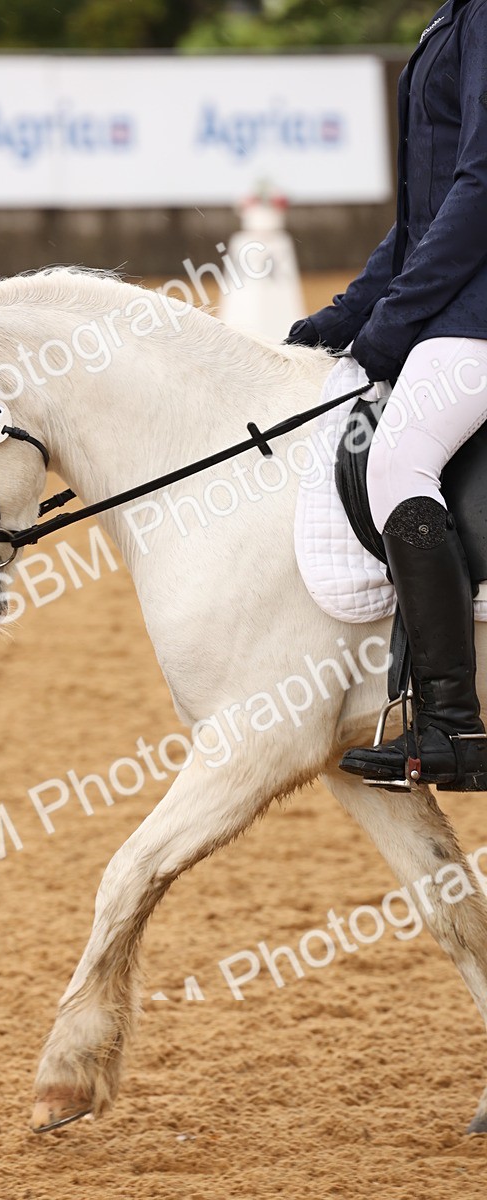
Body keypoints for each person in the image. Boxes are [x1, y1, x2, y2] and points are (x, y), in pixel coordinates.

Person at [286, 0, 487, 790]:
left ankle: (453, 725)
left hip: (476, 314)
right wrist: (345, 315)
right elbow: (424, 219)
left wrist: (394, 323)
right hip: (458, 306)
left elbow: (480, 190)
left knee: (397, 464)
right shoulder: (456, 15)